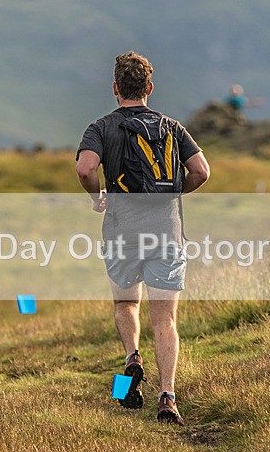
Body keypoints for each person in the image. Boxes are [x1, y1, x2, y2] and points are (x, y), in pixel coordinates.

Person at [76, 51, 210, 425]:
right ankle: (167, 396)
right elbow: (202, 170)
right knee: (165, 319)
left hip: (121, 231)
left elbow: (86, 168)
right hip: (167, 233)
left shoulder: (100, 128)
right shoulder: (172, 127)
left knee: (125, 305)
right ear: (149, 88)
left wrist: (96, 196)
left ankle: (132, 359)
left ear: (116, 89)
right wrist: (174, 194)